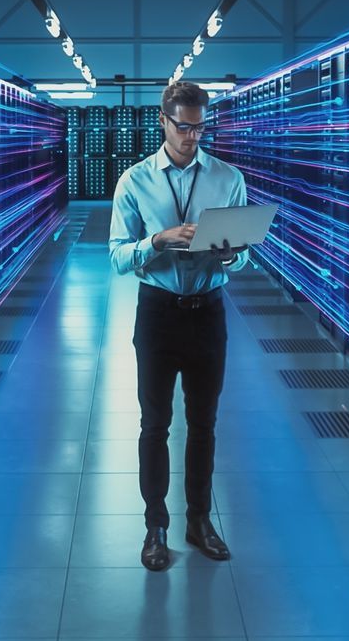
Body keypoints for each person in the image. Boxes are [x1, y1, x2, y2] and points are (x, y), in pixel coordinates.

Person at [107, 80, 251, 571]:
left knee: (204, 425)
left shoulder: (228, 178)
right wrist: (157, 241)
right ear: (164, 122)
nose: (192, 136)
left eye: (200, 126)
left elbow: (244, 254)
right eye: (183, 127)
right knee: (155, 424)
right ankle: (155, 527)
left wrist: (232, 256)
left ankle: (199, 521)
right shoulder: (135, 181)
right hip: (159, 312)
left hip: (208, 312)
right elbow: (117, 257)